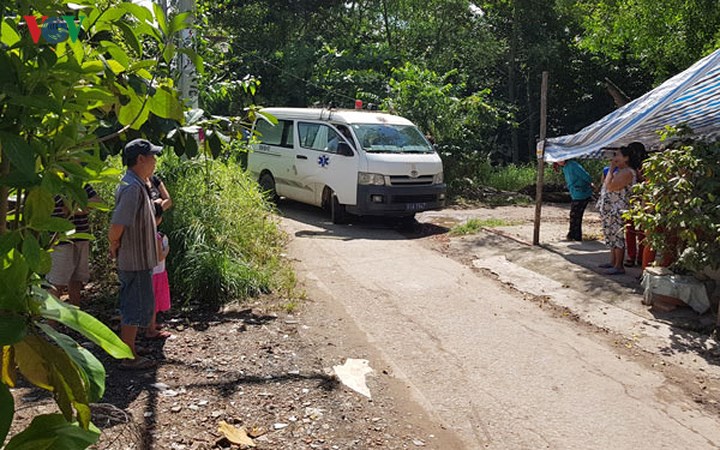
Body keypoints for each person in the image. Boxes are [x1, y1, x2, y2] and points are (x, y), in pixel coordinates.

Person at [109, 139, 162, 370]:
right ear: (140, 159)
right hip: (134, 259)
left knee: (135, 303)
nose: (155, 161)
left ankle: (129, 347)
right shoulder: (132, 187)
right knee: (133, 306)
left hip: (137, 257)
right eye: (152, 156)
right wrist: (113, 243)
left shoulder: (138, 184)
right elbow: (117, 224)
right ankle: (128, 355)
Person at [46, 184, 102, 306]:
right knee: (57, 282)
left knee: (77, 279)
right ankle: (51, 317)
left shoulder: (80, 182)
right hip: (60, 239)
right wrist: (81, 205)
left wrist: (73, 207)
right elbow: (58, 207)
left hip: (81, 236)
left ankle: (75, 314)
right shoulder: (52, 184)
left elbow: (97, 201)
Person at [597, 147, 637, 275]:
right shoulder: (619, 171)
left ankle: (619, 265)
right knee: (611, 235)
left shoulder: (627, 172)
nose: (614, 158)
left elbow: (610, 186)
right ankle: (613, 261)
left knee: (617, 236)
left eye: (617, 155)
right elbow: (605, 183)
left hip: (618, 209)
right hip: (610, 209)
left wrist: (611, 168)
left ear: (626, 158)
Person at [556, 159, 593, 241]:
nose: (559, 161)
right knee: (575, 215)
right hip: (575, 193)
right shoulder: (565, 167)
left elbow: (586, 176)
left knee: (576, 215)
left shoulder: (573, 165)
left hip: (582, 193)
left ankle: (575, 236)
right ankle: (574, 235)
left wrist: (589, 183)